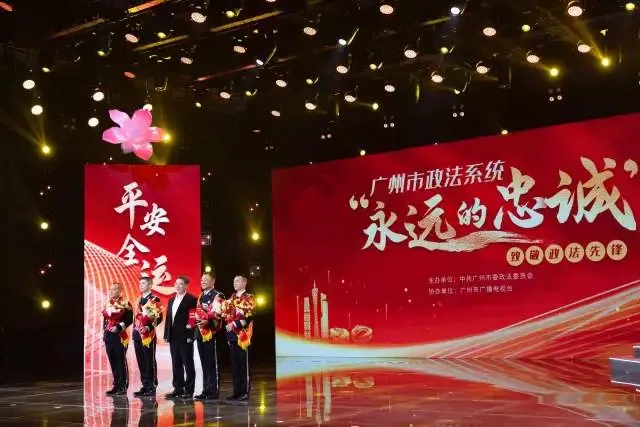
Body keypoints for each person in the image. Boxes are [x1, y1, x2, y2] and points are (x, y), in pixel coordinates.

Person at [164, 276, 197, 399]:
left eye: (181, 284)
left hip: (185, 337)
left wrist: (190, 336)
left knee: (188, 363)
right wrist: (167, 334)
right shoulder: (171, 300)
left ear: (186, 286)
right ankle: (178, 388)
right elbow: (168, 319)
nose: (178, 286)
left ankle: (189, 390)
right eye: (176, 283)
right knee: (176, 363)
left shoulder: (191, 299)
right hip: (173, 337)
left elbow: (193, 318)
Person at [224, 275, 256, 402]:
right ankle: (236, 392)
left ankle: (245, 392)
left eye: (237, 281)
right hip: (232, 335)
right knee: (235, 365)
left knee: (244, 365)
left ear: (244, 283)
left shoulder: (249, 297)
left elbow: (248, 317)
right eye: (234, 281)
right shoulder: (231, 298)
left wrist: (235, 323)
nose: (235, 283)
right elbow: (226, 314)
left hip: (244, 336)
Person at [194, 272, 225, 400]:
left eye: (206, 279)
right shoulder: (201, 296)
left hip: (212, 333)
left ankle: (213, 391)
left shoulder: (218, 295)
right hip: (200, 333)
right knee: (204, 363)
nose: (203, 282)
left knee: (213, 363)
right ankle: (205, 390)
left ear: (213, 281)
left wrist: (208, 321)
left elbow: (219, 314)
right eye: (202, 280)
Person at [133, 277, 163, 397]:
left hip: (148, 335)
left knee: (149, 360)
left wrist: (148, 327)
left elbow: (159, 317)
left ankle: (152, 386)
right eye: (140, 283)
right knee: (141, 360)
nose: (141, 285)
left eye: (144, 283)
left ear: (150, 285)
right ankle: (145, 385)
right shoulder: (138, 299)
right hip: (137, 334)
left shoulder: (154, 299)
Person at [102, 282, 133, 396]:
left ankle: (123, 386)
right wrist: (104, 331)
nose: (112, 291)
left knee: (120, 361)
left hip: (120, 336)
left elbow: (129, 319)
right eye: (111, 289)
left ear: (120, 290)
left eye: (115, 289)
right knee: (113, 361)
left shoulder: (125, 303)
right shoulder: (107, 303)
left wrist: (118, 327)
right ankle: (116, 385)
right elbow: (106, 320)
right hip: (108, 335)